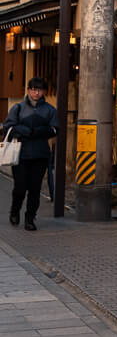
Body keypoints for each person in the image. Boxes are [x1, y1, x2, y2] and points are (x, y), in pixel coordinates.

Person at [4, 78, 58, 230]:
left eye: (40, 90)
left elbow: (55, 129)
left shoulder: (50, 110)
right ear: (28, 90)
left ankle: (30, 218)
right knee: (20, 188)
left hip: (40, 155)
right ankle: (15, 211)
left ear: (44, 92)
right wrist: (24, 130)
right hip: (20, 155)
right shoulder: (18, 108)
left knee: (35, 189)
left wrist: (40, 131)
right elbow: (8, 127)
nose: (36, 92)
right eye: (33, 89)